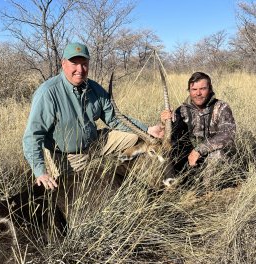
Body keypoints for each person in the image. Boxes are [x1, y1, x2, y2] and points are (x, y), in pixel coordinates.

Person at [23, 42, 164, 189]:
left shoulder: (93, 87)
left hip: (95, 142)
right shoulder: (48, 92)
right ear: (63, 63)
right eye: (74, 64)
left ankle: (130, 177)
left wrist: (147, 129)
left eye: (84, 64)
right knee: (76, 193)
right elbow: (32, 136)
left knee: (138, 137)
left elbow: (114, 118)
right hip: (68, 155)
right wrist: (40, 172)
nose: (80, 69)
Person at [161, 71, 236, 176]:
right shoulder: (181, 110)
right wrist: (166, 123)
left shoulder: (221, 107)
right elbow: (172, 138)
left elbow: (228, 134)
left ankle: (210, 188)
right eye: (194, 89)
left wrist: (199, 150)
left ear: (210, 89)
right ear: (189, 91)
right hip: (188, 160)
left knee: (217, 155)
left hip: (209, 156)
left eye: (203, 89)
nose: (198, 93)